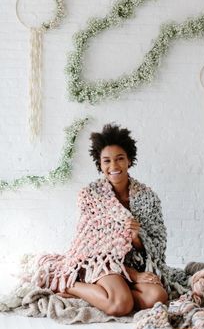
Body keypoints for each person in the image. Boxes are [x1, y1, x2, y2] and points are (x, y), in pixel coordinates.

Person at [33, 124, 168, 316]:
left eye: (120, 159)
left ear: (129, 160)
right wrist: (135, 276)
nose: (113, 166)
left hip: (134, 263)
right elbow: (92, 249)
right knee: (120, 306)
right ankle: (68, 285)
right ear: (100, 164)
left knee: (156, 296)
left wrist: (138, 238)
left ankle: (107, 293)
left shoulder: (148, 197)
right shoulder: (91, 196)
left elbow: (157, 244)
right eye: (107, 161)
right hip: (100, 263)